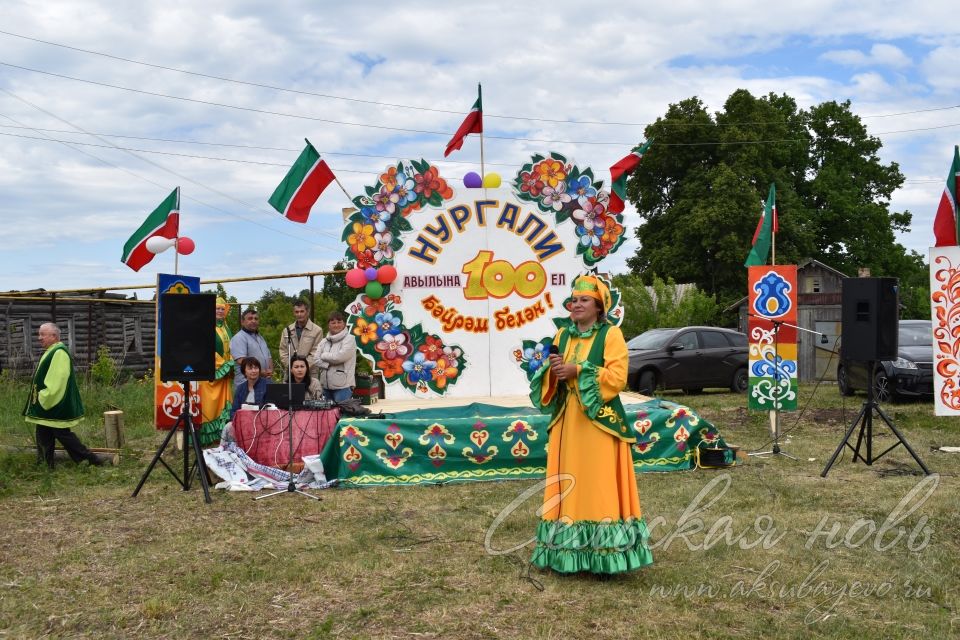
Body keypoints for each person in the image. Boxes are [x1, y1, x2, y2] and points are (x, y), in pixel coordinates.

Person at [528, 275, 654, 575]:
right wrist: (553, 372)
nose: (577, 304)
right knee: (569, 480)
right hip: (568, 421)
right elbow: (553, 374)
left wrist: (578, 370)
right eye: (574, 300)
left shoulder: (610, 335)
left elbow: (617, 377)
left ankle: (603, 554)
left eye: (584, 300)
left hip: (598, 423)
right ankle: (567, 551)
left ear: (599, 307)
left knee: (597, 484)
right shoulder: (562, 335)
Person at [23, 323, 102, 469]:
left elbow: (58, 379)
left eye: (43, 334)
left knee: (63, 434)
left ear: (54, 336)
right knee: (43, 432)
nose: (39, 338)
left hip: (54, 403)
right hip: (48, 402)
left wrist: (44, 397)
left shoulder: (59, 352)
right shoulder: (52, 350)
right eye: (39, 334)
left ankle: (90, 460)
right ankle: (45, 465)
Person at [197, 297, 235, 446]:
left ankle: (220, 436)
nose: (220, 311)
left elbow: (231, 347)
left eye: (222, 309)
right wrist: (224, 365)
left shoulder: (226, 327)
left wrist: (231, 361)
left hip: (224, 375)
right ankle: (205, 438)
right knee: (209, 406)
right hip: (211, 375)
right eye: (217, 309)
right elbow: (205, 349)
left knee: (222, 406)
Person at [313, 311, 356, 403]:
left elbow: (340, 357)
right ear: (329, 325)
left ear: (344, 324)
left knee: (342, 415)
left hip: (343, 387)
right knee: (327, 416)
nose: (336, 325)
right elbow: (316, 359)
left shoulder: (350, 339)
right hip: (325, 386)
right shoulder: (324, 341)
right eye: (333, 323)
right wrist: (328, 365)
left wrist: (324, 355)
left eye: (339, 322)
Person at [278, 300, 324, 379]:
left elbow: (316, 352)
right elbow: (283, 351)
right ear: (294, 313)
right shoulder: (287, 330)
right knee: (289, 392)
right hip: (290, 374)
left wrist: (302, 368)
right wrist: (292, 367)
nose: (299, 314)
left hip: (310, 374)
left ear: (307, 312)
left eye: (302, 311)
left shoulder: (317, 330)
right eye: (297, 312)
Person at [230, 308, 273, 384]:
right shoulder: (239, 338)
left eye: (256, 319)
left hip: (264, 381)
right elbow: (241, 360)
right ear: (242, 322)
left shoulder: (260, 337)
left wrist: (270, 371)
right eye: (250, 318)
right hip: (246, 384)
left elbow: (269, 357)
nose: (253, 321)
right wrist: (260, 372)